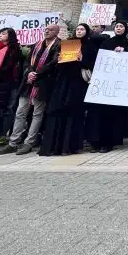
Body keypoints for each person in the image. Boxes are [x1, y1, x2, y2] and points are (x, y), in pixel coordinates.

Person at [0, 23, 61, 155]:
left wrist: (37, 73)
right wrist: (30, 72)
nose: (47, 31)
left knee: (37, 114)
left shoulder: (60, 45)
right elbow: (27, 61)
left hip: (43, 83)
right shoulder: (37, 44)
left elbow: (54, 62)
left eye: (51, 30)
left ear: (57, 32)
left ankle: (29, 142)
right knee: (20, 112)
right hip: (28, 82)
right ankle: (13, 142)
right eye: (46, 29)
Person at [39, 23, 93, 156]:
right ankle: (54, 146)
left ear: (87, 32)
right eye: (78, 29)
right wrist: (60, 60)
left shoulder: (89, 46)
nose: (79, 31)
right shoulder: (69, 43)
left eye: (82, 29)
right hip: (63, 81)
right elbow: (60, 66)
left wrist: (82, 60)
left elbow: (92, 64)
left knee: (73, 113)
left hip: (78, 83)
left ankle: (70, 146)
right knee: (58, 111)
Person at [89, 20, 128, 152]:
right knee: (102, 112)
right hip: (106, 82)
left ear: (126, 29)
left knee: (115, 113)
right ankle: (99, 141)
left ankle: (111, 141)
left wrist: (124, 53)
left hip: (120, 82)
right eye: (117, 26)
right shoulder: (107, 41)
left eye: (121, 27)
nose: (119, 28)